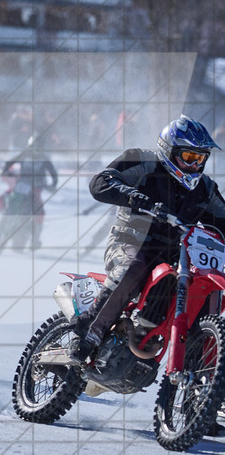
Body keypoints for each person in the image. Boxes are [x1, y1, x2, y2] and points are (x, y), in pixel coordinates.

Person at [70, 115, 225, 364]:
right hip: (128, 243)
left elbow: (222, 218)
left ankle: (202, 371)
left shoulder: (204, 189)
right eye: (189, 158)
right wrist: (133, 196)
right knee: (134, 266)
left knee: (204, 287)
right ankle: (88, 332)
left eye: (200, 159)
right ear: (169, 151)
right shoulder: (143, 161)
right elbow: (101, 182)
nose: (195, 166)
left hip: (176, 260)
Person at [0, 136, 58, 252]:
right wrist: (4, 171)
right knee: (8, 203)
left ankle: (34, 240)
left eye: (37, 147)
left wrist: (52, 185)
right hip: (21, 188)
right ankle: (31, 240)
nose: (35, 150)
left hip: (34, 190)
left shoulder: (41, 159)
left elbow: (54, 174)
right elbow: (8, 163)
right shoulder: (26, 155)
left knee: (39, 213)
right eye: (33, 147)